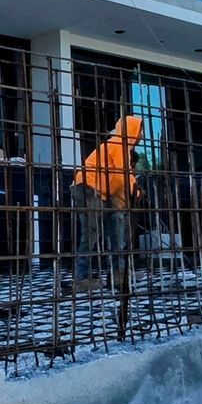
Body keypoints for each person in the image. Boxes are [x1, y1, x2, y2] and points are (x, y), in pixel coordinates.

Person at [69, 114, 143, 289]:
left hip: (101, 191)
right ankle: (81, 279)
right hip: (87, 187)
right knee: (90, 233)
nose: (142, 136)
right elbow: (121, 175)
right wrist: (134, 193)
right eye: (140, 131)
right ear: (132, 130)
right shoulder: (118, 144)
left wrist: (128, 196)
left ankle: (119, 275)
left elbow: (118, 177)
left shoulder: (121, 148)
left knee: (117, 230)